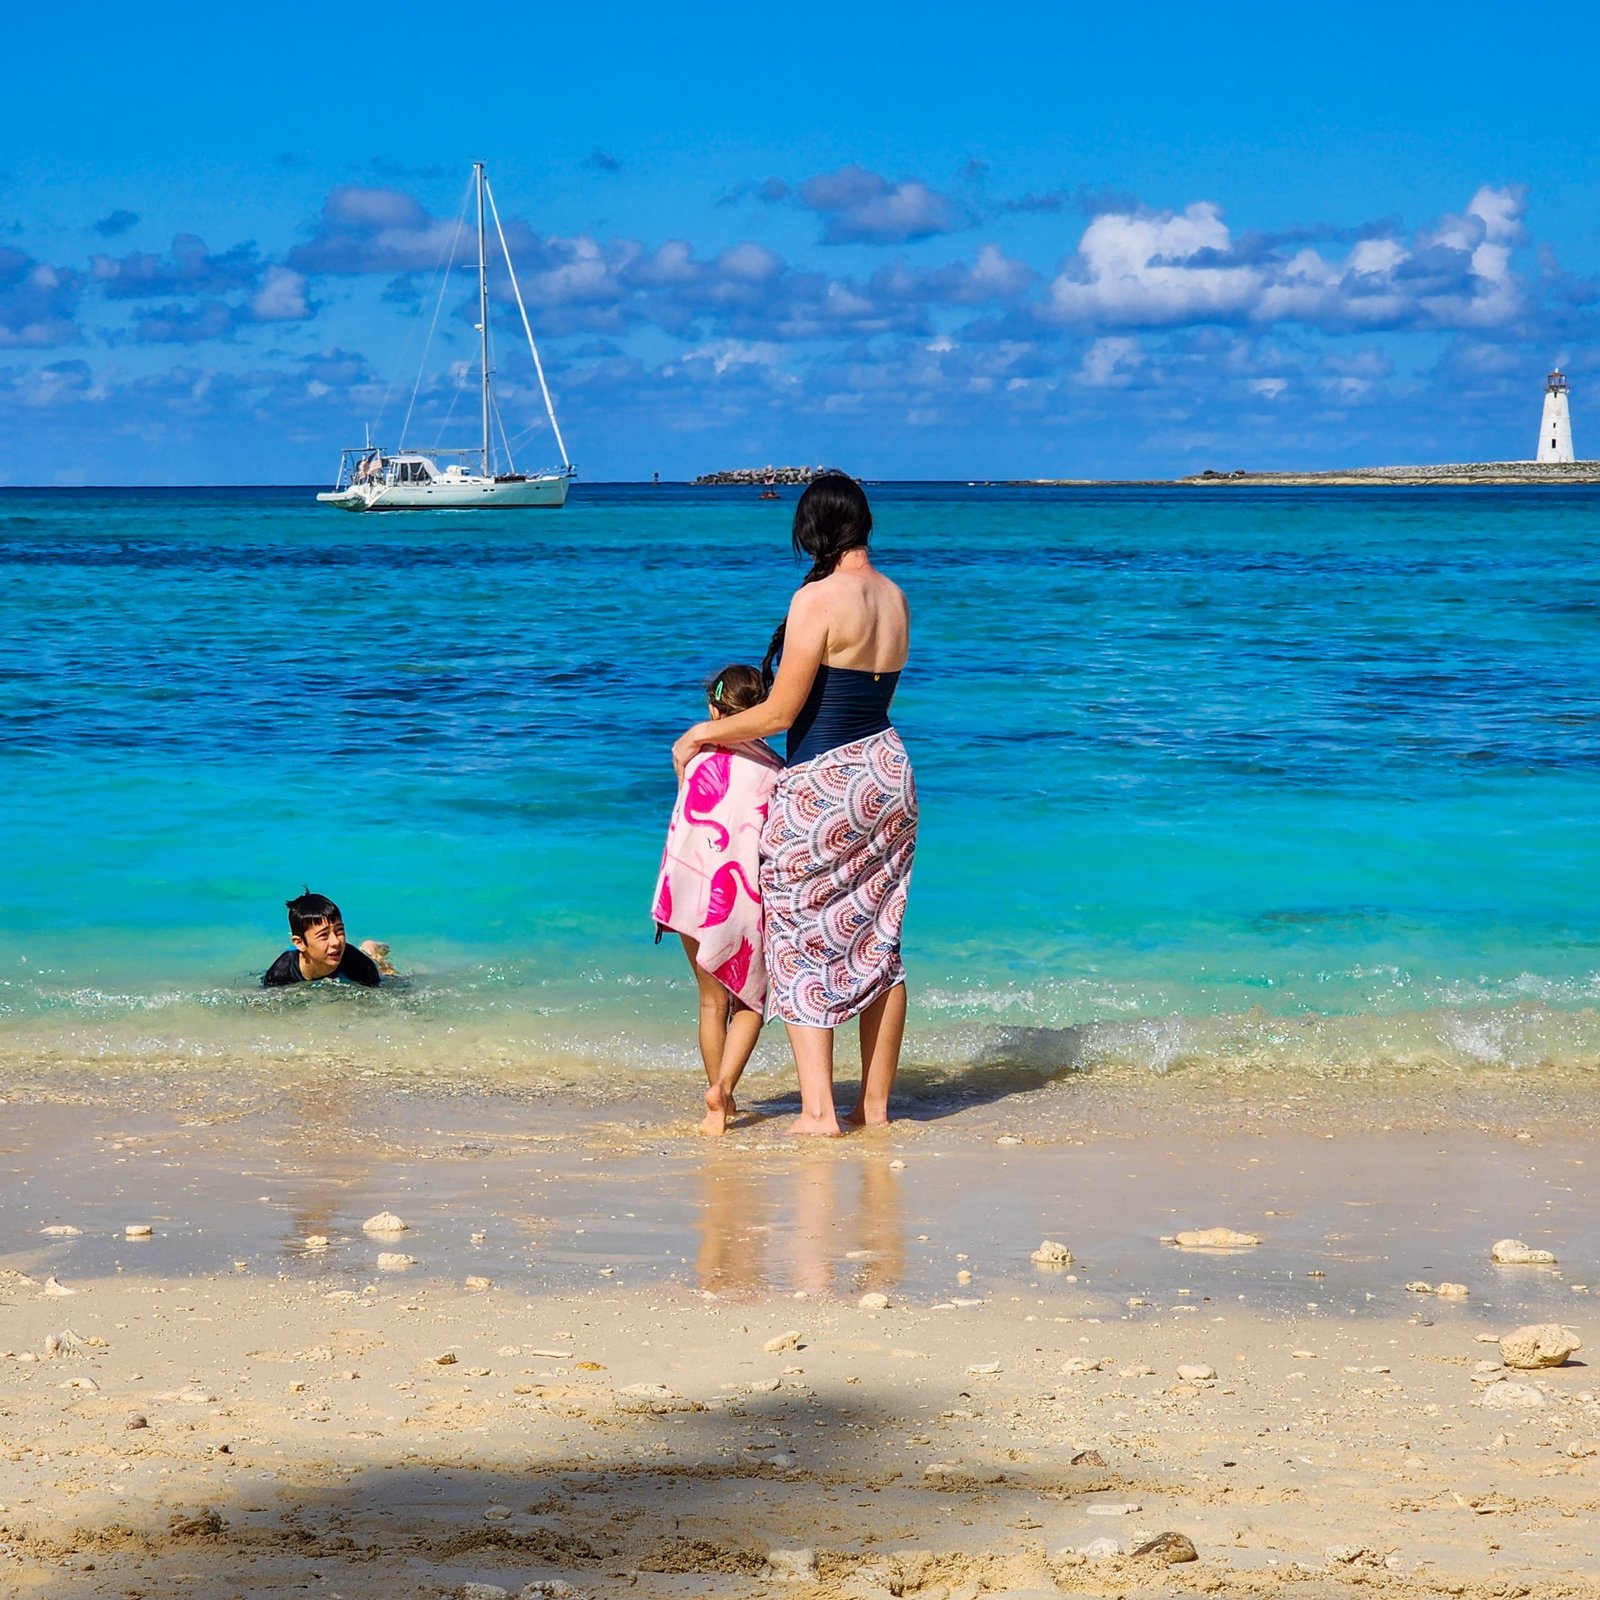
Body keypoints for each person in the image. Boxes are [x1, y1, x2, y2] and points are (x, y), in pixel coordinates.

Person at [672, 473, 916, 1136]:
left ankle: (817, 1113)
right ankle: (875, 1110)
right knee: (879, 940)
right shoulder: (895, 598)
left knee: (799, 933)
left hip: (827, 777)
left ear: (811, 531)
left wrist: (702, 732)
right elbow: (874, 700)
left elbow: (780, 712)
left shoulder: (816, 600)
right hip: (888, 768)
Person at [653, 665, 783, 1134]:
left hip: (688, 889)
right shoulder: (775, 770)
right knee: (749, 1003)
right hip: (742, 897)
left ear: (714, 710)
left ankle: (717, 1103)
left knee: (710, 1002)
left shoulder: (695, 757)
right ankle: (724, 1085)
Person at [261, 890, 391, 987]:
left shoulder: (360, 966)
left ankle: (371, 948)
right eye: (323, 935)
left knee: (388, 973)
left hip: (357, 958)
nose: (336, 942)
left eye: (339, 930)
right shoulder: (280, 974)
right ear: (299, 943)